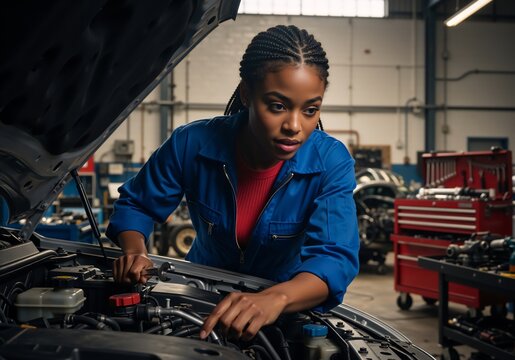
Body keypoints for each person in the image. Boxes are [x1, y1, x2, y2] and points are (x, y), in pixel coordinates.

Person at [106, 24, 359, 341]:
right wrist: (136, 251)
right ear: (246, 93)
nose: (295, 126)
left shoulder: (330, 161)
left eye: (310, 110)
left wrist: (276, 298)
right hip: (199, 298)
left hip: (285, 307)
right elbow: (137, 204)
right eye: (277, 106)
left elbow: (334, 259)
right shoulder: (192, 143)